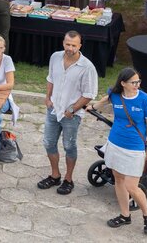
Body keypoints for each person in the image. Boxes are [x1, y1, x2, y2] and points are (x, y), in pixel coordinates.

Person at [87, 67, 147, 234]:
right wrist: (94, 106)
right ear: (123, 83)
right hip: (115, 143)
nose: (137, 85)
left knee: (132, 186)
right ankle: (125, 215)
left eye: (138, 81)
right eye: (134, 82)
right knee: (118, 180)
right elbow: (107, 98)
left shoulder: (144, 99)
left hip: (134, 148)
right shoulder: (116, 94)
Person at [38, 31, 98, 196]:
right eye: (67, 44)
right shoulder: (55, 57)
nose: (70, 48)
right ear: (63, 43)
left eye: (73, 45)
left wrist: (72, 109)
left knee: (69, 146)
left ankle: (68, 179)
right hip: (53, 109)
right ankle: (55, 175)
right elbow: (50, 78)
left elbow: (89, 94)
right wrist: (47, 98)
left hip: (72, 114)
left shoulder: (87, 67)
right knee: (49, 143)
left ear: (80, 46)